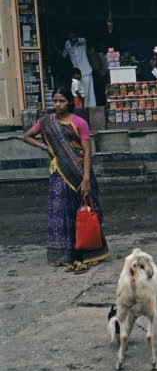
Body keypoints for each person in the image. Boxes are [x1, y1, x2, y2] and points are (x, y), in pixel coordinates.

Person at [22, 85, 109, 273]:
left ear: (69, 102)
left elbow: (87, 152)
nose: (58, 105)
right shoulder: (46, 122)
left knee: (87, 211)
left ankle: (90, 253)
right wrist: (46, 148)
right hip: (59, 174)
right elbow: (27, 136)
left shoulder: (79, 122)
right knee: (61, 213)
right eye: (55, 101)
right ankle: (62, 255)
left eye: (62, 101)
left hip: (79, 173)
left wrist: (85, 178)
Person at [57, 30, 96, 108]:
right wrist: (56, 48)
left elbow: (79, 41)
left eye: (74, 36)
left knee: (88, 94)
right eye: (71, 37)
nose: (73, 38)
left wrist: (75, 40)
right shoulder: (67, 44)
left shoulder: (82, 41)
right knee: (78, 94)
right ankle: (83, 111)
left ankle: (91, 110)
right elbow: (64, 55)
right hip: (76, 74)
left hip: (86, 72)